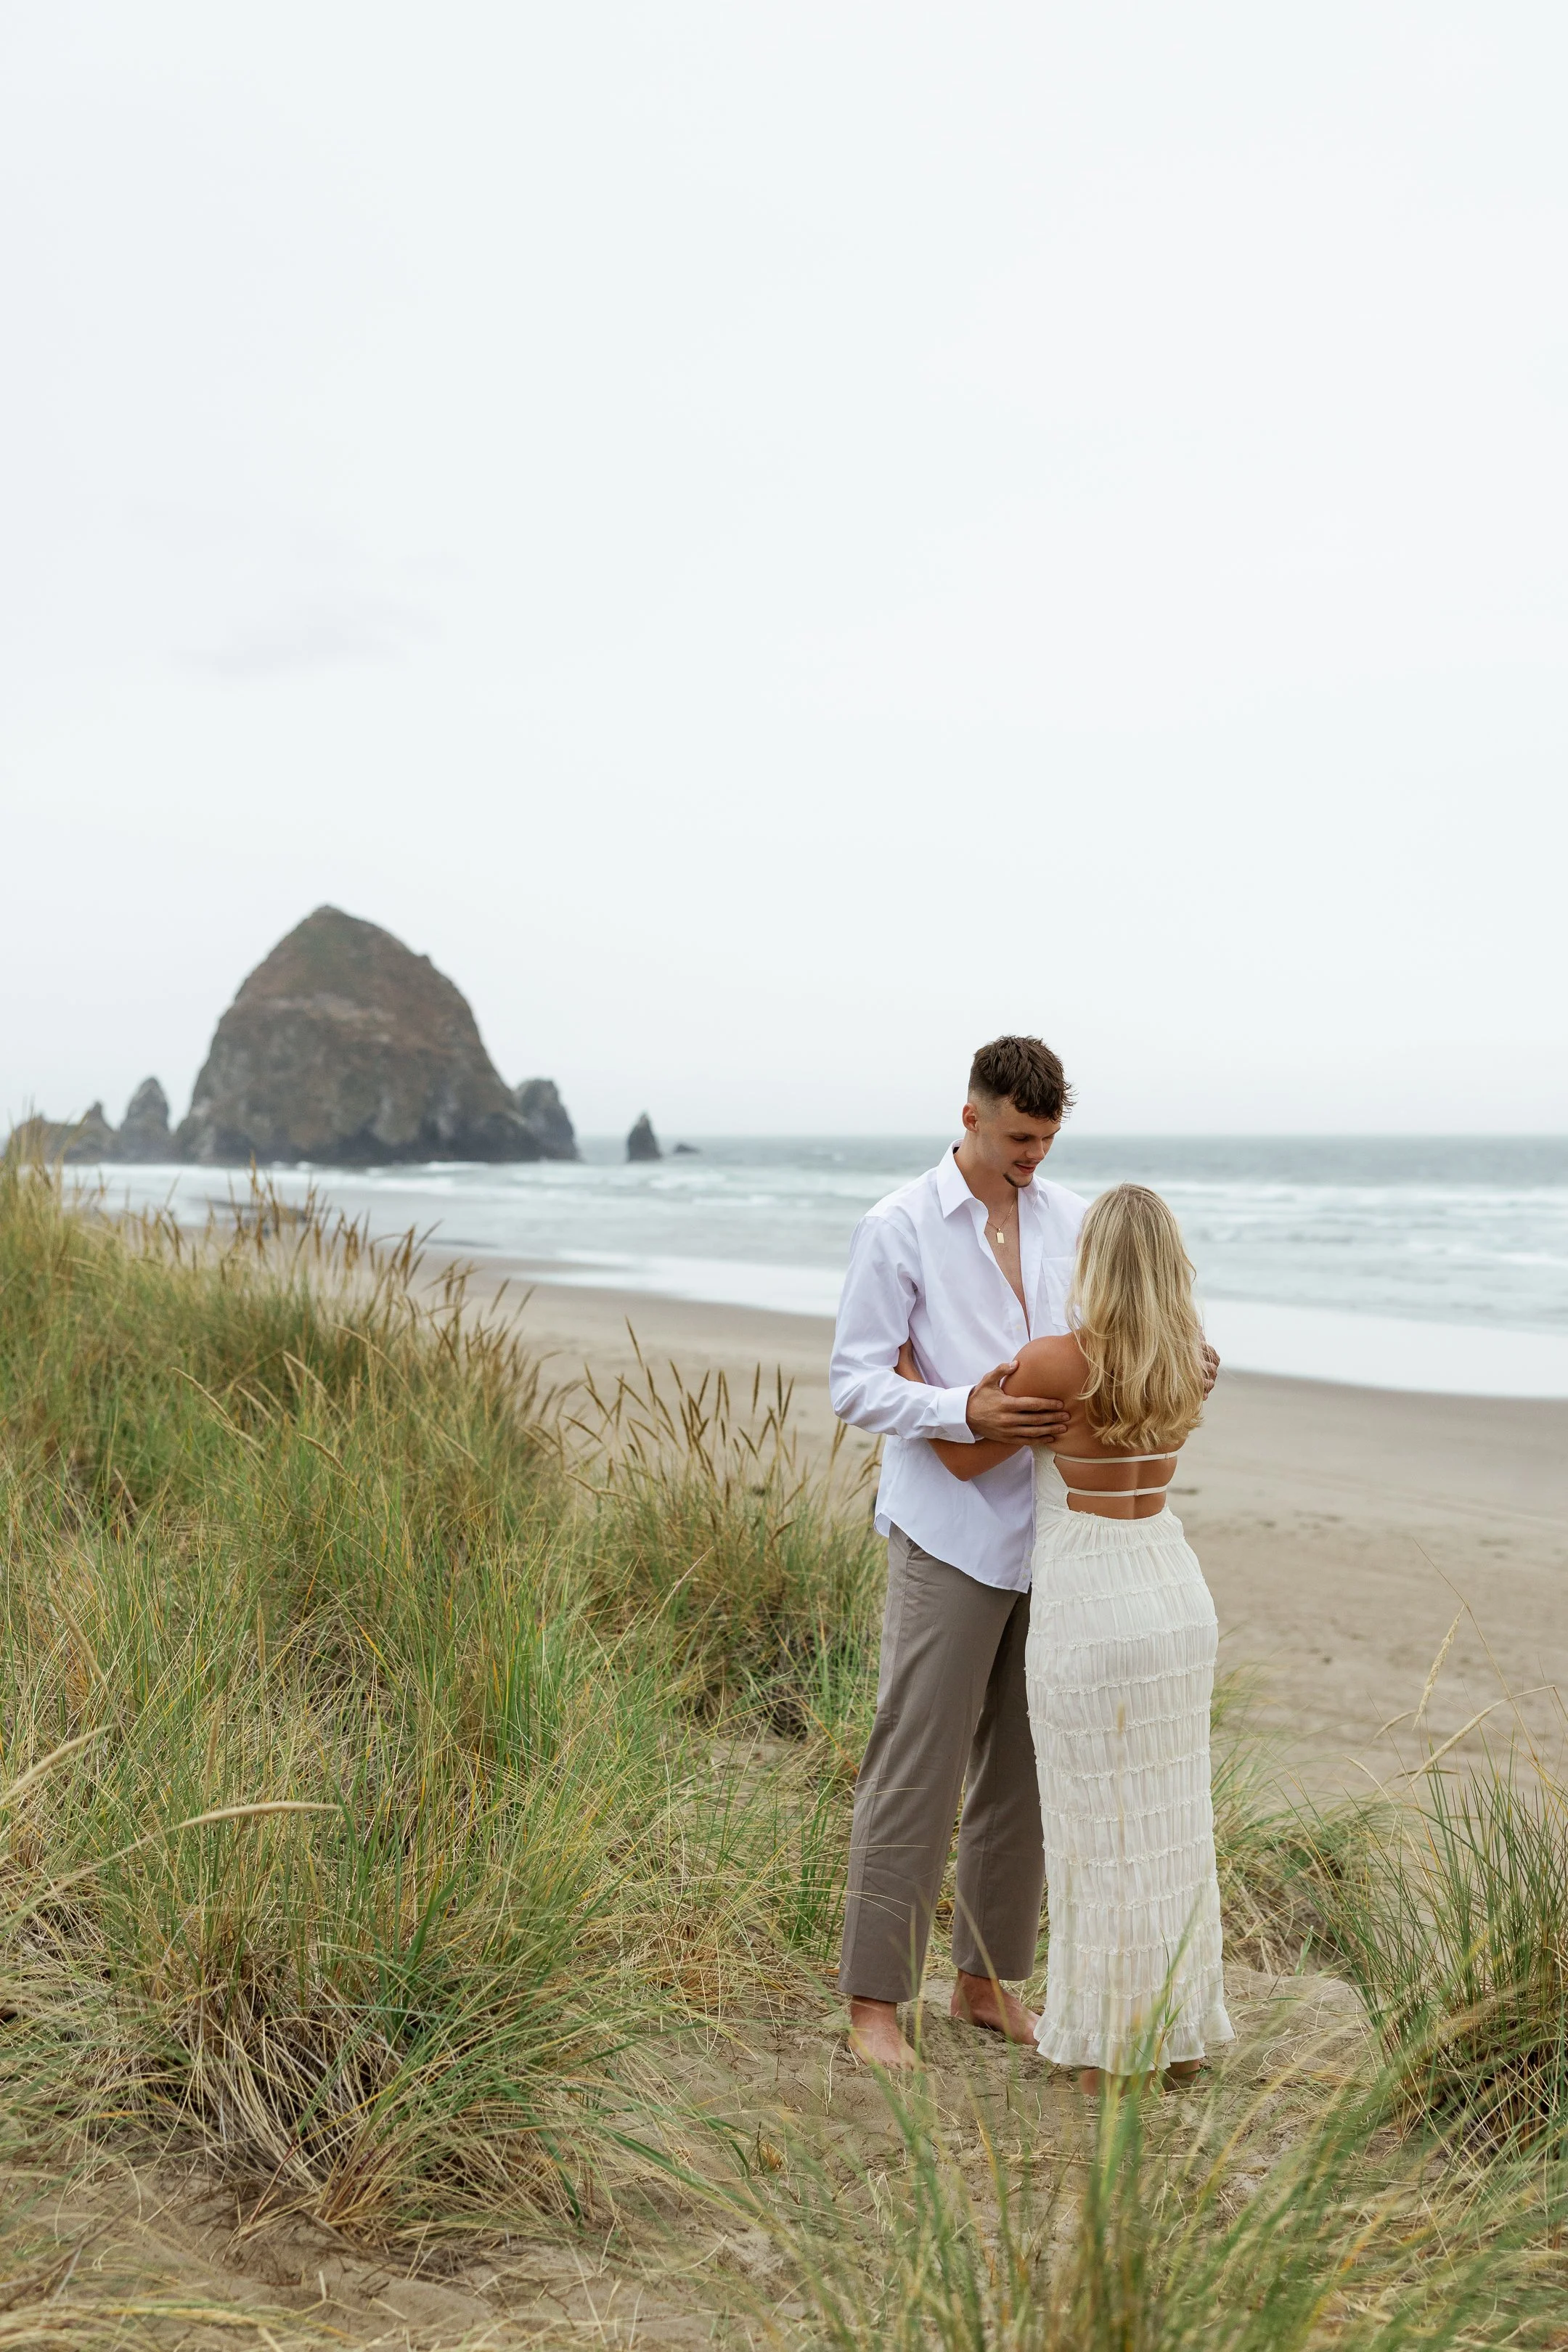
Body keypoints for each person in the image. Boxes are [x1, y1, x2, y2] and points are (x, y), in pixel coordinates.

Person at [913, 1183, 1233, 2091]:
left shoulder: (1056, 1362)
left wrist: (910, 1373)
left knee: (1098, 1832)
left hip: (1092, 1603)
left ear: (1094, 1262)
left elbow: (961, 1454)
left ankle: (1106, 2055)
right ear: (1174, 1269)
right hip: (1171, 1591)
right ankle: (1179, 2034)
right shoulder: (1196, 1362)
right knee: (1174, 1825)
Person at [829, 1035, 1090, 2070]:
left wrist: (1182, 1354)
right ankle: (874, 2006)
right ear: (973, 1114)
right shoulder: (897, 1226)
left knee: (1024, 1769)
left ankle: (981, 1986)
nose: (1034, 1156)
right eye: (1020, 1137)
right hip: (948, 1530)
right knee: (917, 1763)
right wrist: (960, 1404)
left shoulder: (1072, 1220)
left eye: (1048, 1139)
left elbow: (1107, 1333)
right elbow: (854, 1381)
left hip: (1055, 1529)